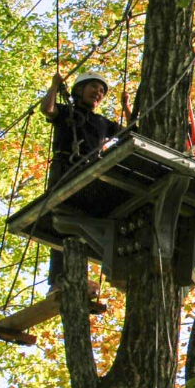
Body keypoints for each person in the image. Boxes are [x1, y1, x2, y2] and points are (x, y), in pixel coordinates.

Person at [39, 71, 130, 283]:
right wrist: (54, 86)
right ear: (79, 90)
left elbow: (130, 132)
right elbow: (47, 109)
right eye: (94, 88)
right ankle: (60, 279)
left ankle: (76, 278)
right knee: (63, 225)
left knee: (85, 227)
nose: (98, 93)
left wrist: (125, 106)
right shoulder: (66, 111)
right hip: (65, 169)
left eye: (101, 91)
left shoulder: (101, 121)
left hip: (90, 173)